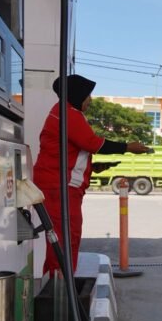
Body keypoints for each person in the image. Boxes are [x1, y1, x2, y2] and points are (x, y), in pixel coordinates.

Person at [33, 74, 149, 275]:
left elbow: (69, 152)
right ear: (77, 95)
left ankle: (60, 287)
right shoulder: (68, 114)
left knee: (66, 239)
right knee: (64, 240)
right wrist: (128, 147)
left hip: (60, 186)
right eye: (88, 95)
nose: (90, 100)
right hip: (59, 189)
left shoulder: (64, 113)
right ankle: (59, 293)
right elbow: (94, 143)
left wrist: (93, 168)